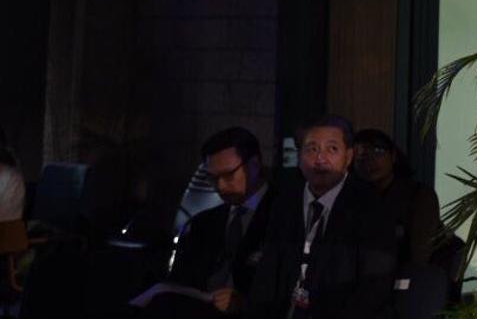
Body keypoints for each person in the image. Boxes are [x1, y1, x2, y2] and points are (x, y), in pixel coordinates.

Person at [247, 116, 395, 319]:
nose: (320, 159)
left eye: (332, 149)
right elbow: (266, 278)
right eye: (312, 149)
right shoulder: (285, 202)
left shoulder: (370, 207)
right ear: (299, 156)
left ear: (348, 157)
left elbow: (373, 289)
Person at [141, 128, 277, 317]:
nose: (220, 186)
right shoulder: (204, 222)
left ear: (254, 165)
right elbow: (184, 278)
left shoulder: (283, 216)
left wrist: (246, 303)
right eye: (212, 178)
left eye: (229, 175)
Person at [349, 130, 443, 273]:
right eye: (362, 156)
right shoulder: (351, 196)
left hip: (407, 277)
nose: (370, 161)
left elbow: (420, 253)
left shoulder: (419, 195)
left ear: (393, 155)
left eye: (378, 152)